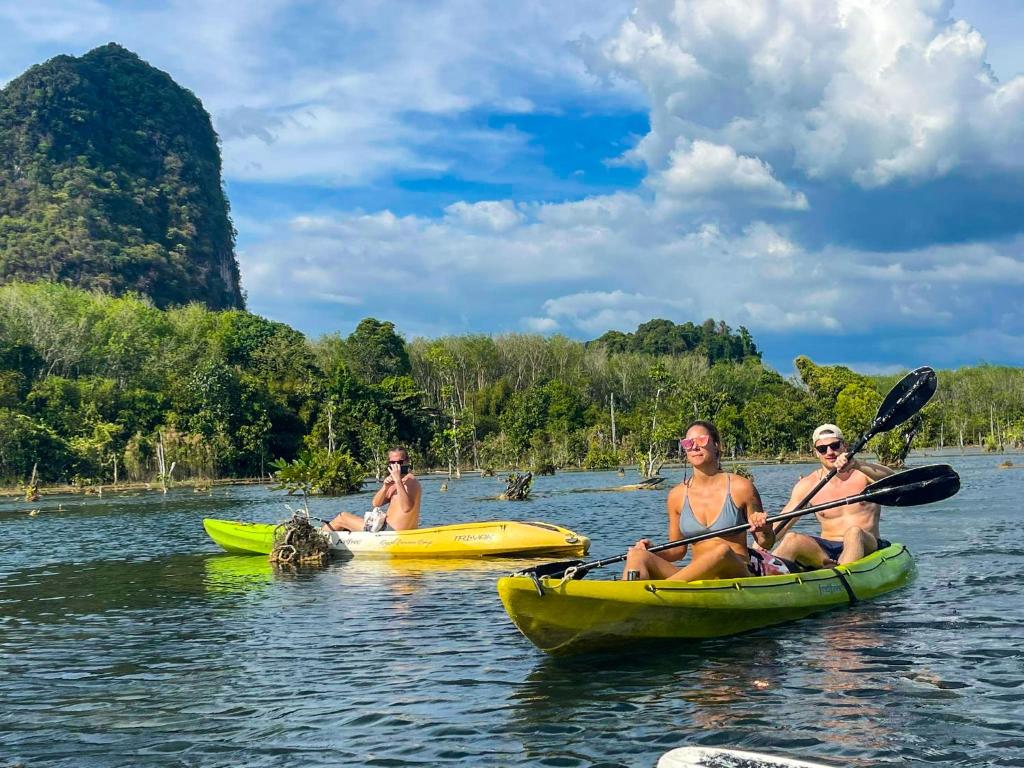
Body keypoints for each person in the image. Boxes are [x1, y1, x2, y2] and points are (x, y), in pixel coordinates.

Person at [621, 421, 787, 581]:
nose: (694, 446)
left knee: (721, 550)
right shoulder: (676, 495)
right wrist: (653, 550)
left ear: (716, 445)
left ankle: (668, 589)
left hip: (736, 573)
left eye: (701, 440)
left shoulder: (742, 488)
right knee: (636, 555)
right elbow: (678, 550)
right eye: (687, 443)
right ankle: (628, 601)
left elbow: (766, 543)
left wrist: (765, 528)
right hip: (697, 578)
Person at [771, 424, 893, 567]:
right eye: (822, 449)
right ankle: (764, 578)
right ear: (816, 452)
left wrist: (856, 464)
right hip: (827, 550)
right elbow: (782, 524)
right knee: (791, 539)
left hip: (866, 543)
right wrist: (757, 546)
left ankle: (840, 574)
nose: (829, 452)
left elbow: (895, 480)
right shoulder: (808, 484)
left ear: (844, 446)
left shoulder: (863, 473)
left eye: (834, 446)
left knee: (853, 533)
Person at [324, 447, 422, 533]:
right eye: (392, 463)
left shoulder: (411, 481)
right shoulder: (396, 482)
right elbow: (376, 503)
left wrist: (397, 480)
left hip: (390, 532)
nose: (396, 466)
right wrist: (385, 487)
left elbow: (406, 508)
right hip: (385, 529)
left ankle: (319, 536)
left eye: (399, 462)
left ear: (406, 461)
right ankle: (329, 534)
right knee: (345, 523)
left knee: (342, 517)